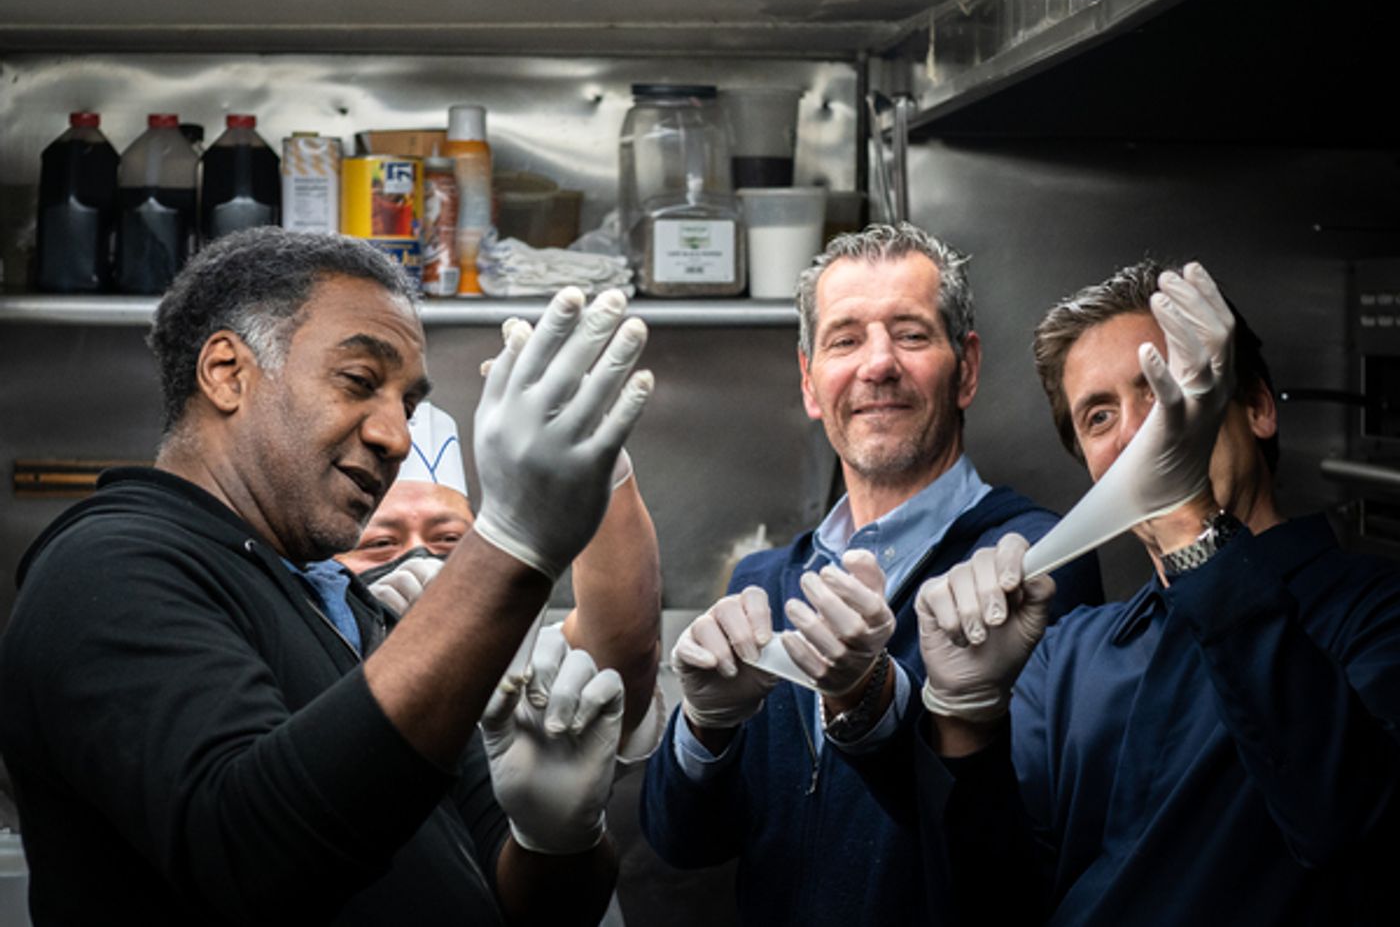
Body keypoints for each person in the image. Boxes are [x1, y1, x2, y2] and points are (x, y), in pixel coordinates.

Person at [0, 226, 654, 926]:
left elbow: (539, 912)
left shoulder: (351, 610)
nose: (396, 437)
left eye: (407, 405)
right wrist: (512, 544)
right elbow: (252, 860)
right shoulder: (110, 567)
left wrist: (557, 838)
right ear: (226, 372)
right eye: (359, 382)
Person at [639, 222, 1104, 925]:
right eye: (845, 339)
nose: (878, 364)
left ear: (967, 369)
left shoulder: (1034, 562)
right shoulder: (765, 581)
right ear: (809, 381)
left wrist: (874, 703)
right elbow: (685, 841)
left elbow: (1019, 853)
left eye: (911, 335)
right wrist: (704, 728)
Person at [914, 261, 1400, 924]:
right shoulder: (1065, 657)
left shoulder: (1378, 613)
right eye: (1099, 416)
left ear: (1257, 407)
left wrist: (1191, 526)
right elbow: (995, 904)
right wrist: (967, 722)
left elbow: (1357, 834)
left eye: (1165, 389)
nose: (1139, 432)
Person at [335, 400, 664, 758]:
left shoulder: (521, 664)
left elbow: (623, 654)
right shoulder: (299, 651)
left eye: (449, 539)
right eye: (381, 543)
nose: (420, 558)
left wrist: (600, 469)